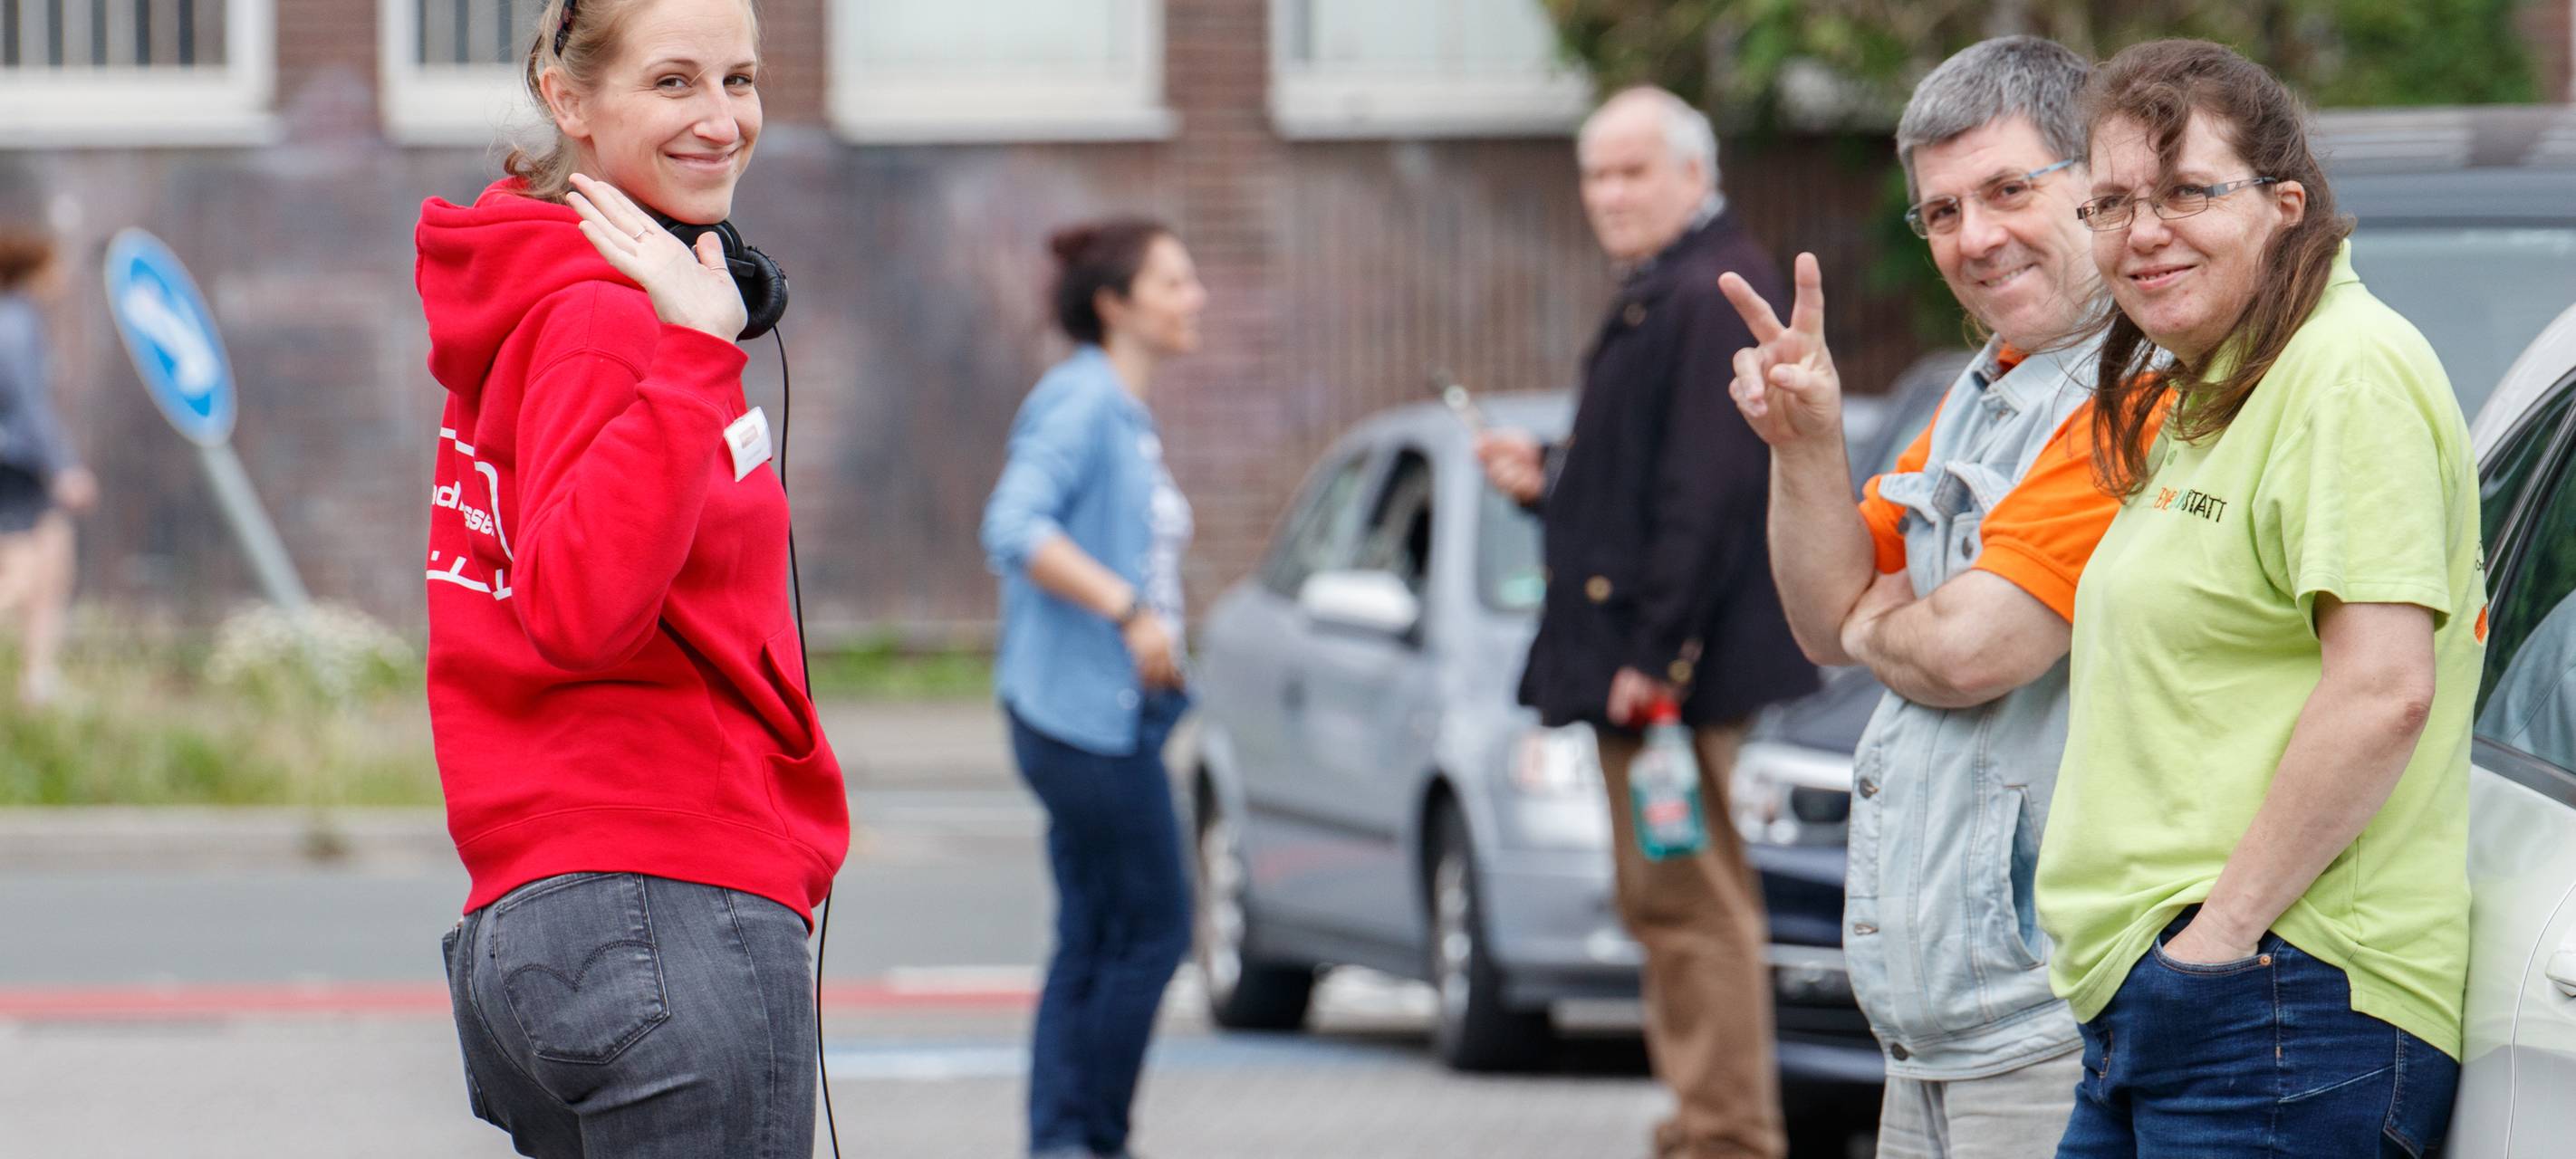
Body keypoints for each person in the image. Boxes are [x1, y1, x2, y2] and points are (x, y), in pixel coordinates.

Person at [413, 0, 848, 1154]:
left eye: (741, 78)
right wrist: (702, 353)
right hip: (666, 907)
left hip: (556, 921)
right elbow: (577, 605)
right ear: (569, 99)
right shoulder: (613, 318)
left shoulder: (546, 295)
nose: (723, 119)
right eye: (673, 83)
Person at [2035, 40, 2484, 1155]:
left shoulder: (2347, 368)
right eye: (2113, 203)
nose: (2144, 232)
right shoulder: (2214, 389)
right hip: (2183, 995)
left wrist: (2217, 938)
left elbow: (2384, 690)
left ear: (2286, 205)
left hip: (2282, 997)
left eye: (2188, 191)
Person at [1723, 37, 2141, 1159]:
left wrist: (1876, 623)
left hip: (2051, 1028)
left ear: (2096, 181)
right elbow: (1825, 616)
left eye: (2009, 190)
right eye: (1942, 211)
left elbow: (1970, 652)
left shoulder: (2133, 394)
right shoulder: (1983, 389)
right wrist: (1804, 441)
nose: (1976, 236)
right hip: (1931, 1041)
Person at [1474, 85, 1815, 1159]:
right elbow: (1642, 475)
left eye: (1633, 171)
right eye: (1597, 174)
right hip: (1657, 664)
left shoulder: (1713, 288)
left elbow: (1709, 491)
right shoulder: (1665, 288)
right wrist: (1552, 482)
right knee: (1666, 900)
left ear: (1693, 174)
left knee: (1690, 905)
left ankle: (1723, 1136)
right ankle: (1705, 1125)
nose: (1610, 194)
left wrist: (1654, 653)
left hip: (1675, 675)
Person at [979, 217, 1205, 1159]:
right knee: (1155, 926)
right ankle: (1092, 1137)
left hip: (1099, 714)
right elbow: (1014, 525)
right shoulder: (1082, 404)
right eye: (1174, 282)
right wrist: (1130, 610)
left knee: (1094, 933)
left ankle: (1065, 1138)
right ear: (1115, 304)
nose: (1195, 297)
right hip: (1081, 719)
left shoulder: (1116, 404)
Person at [0, 228, 96, 707]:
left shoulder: (19, 318)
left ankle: (39, 681)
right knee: (20, 574)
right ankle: (38, 680)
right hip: (16, 462)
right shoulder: (16, 321)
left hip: (19, 461)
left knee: (56, 564)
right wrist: (64, 466)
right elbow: (30, 405)